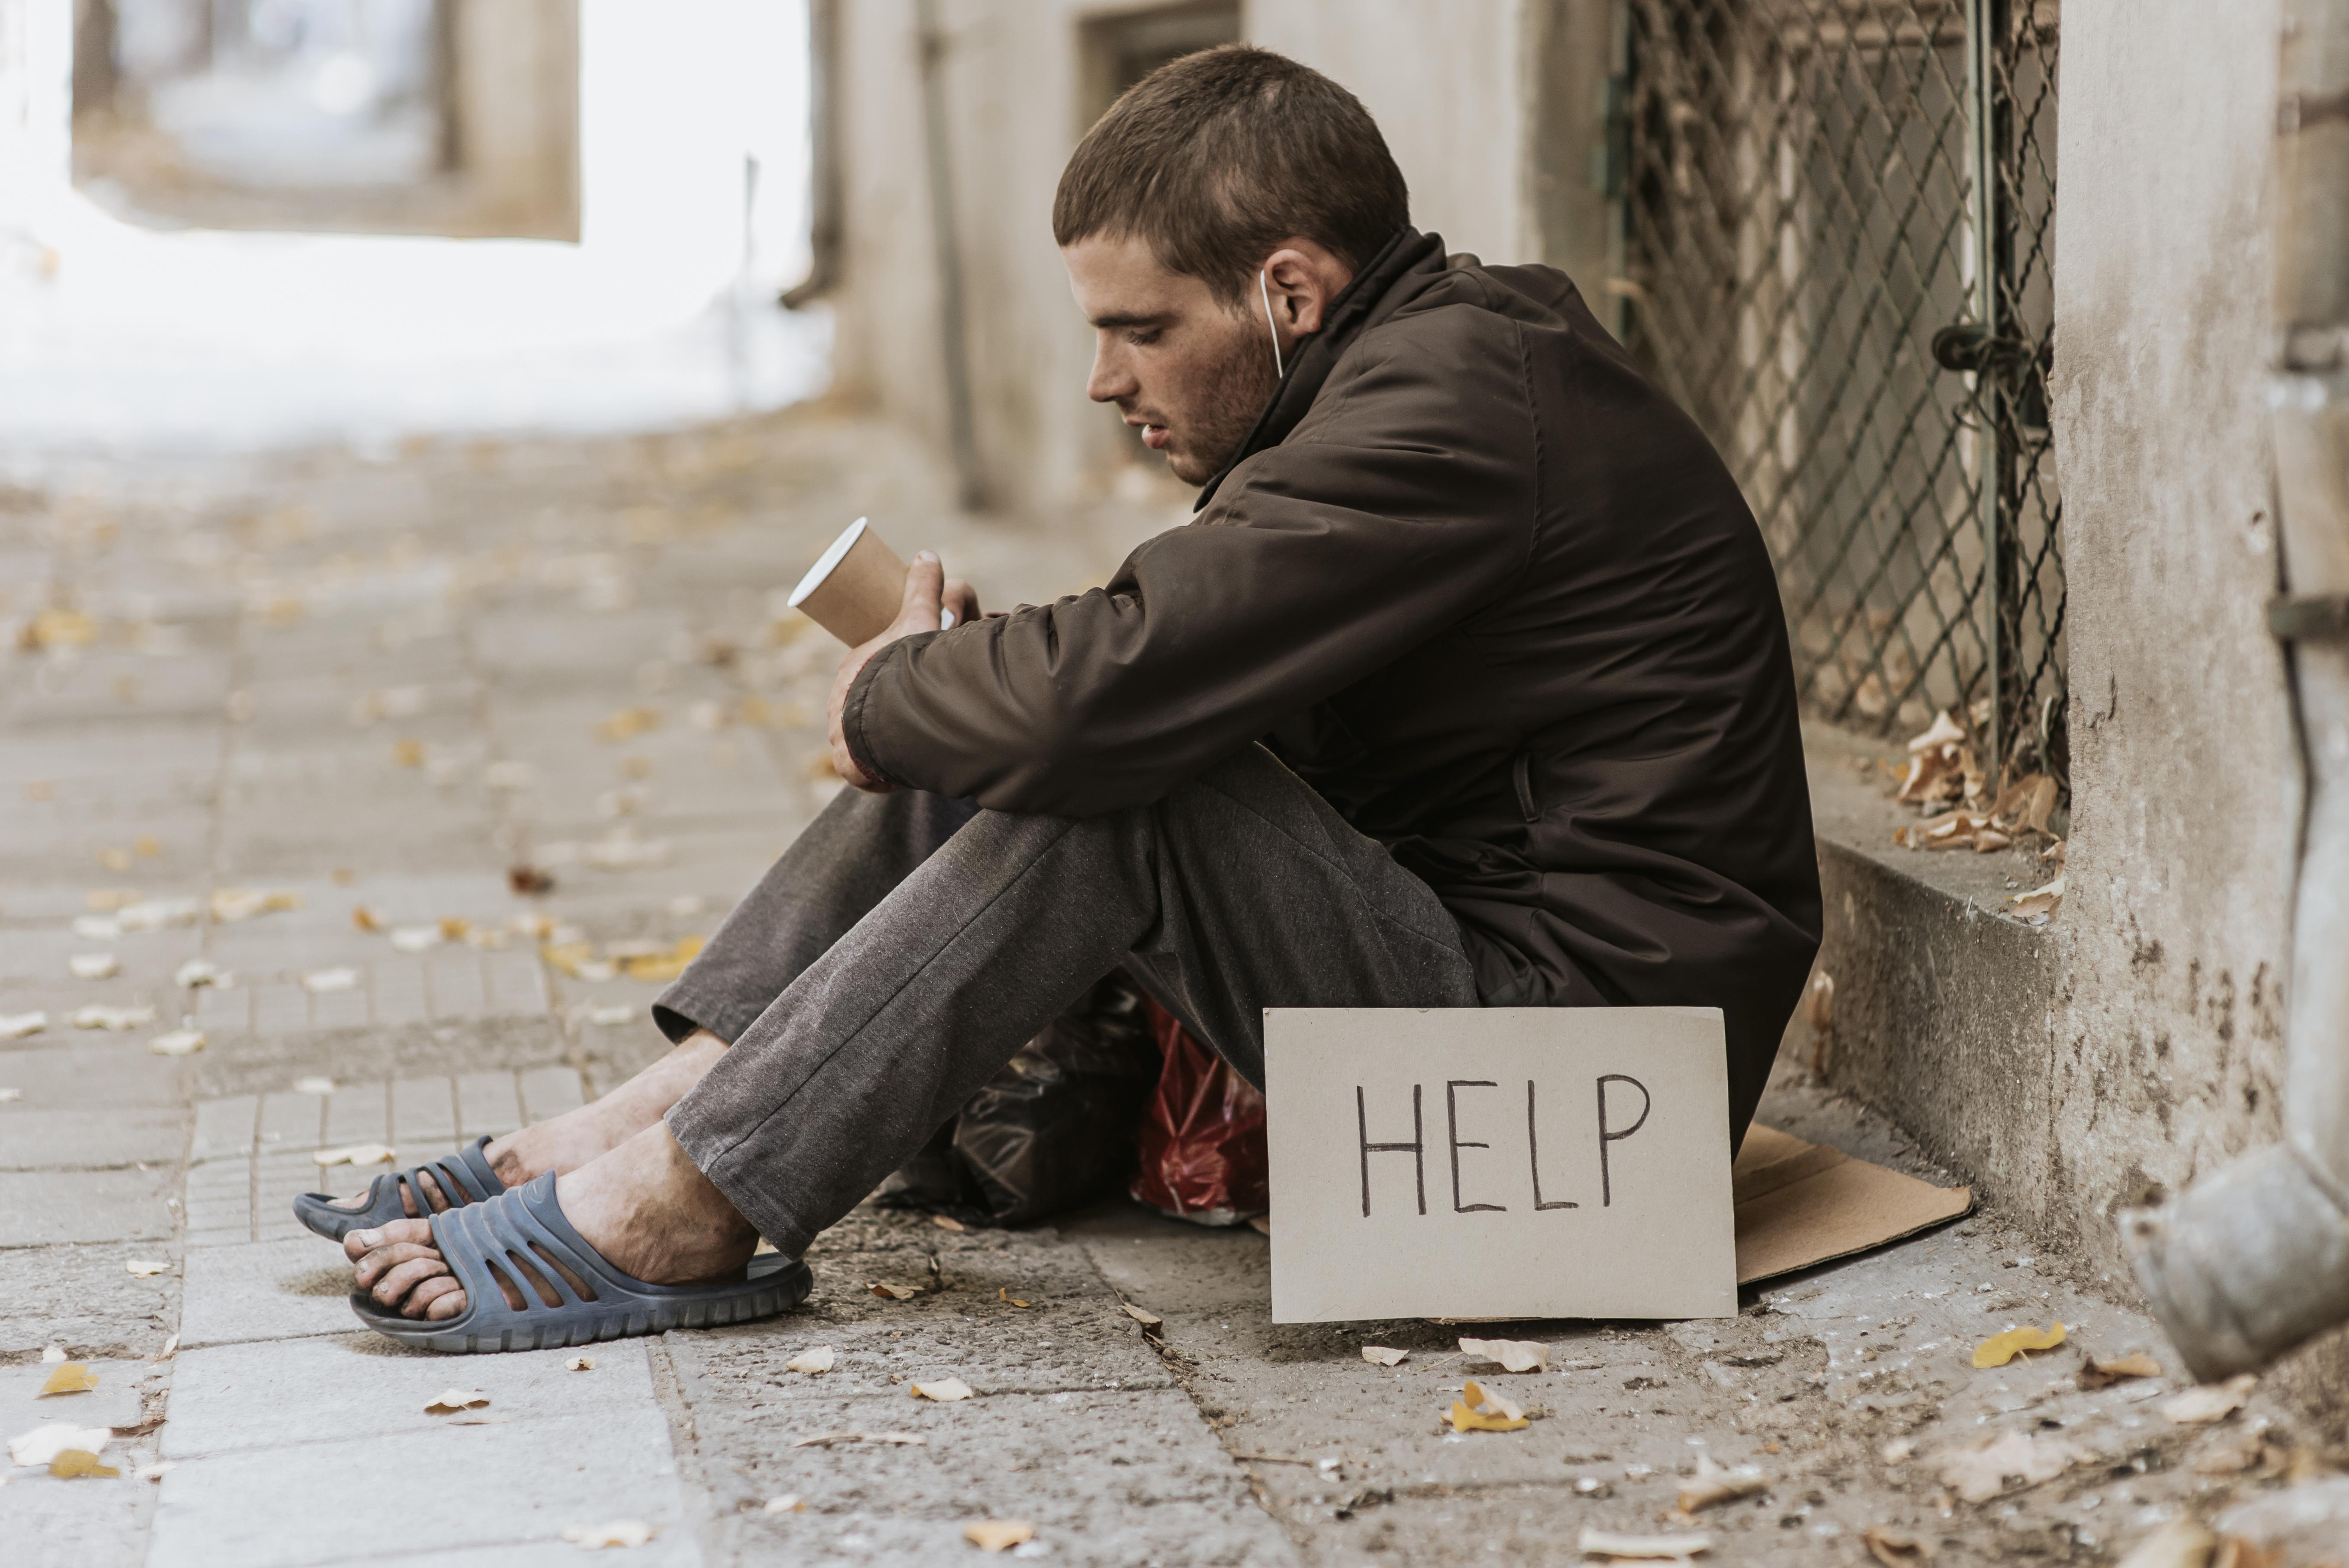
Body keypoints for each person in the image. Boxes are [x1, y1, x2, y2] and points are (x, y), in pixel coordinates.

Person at [327, 44, 1821, 1345]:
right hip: (1513, 1017)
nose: (1104, 378)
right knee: (1009, 709)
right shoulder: (1420, 376)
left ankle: (688, 1202)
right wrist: (951, 695)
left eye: (1143, 329)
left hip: (1594, 1100)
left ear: (1288, 290)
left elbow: (1113, 690)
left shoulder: (1449, 413)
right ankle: (641, 1130)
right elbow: (1148, 655)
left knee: (1097, 767)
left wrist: (886, 708)